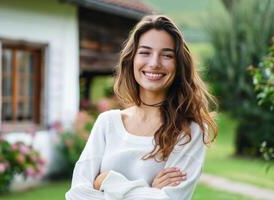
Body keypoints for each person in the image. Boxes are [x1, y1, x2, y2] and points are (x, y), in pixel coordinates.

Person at [65, 15, 217, 200]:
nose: (154, 63)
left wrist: (108, 181)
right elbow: (76, 194)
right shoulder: (107, 123)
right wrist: (149, 190)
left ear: (178, 65)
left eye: (167, 55)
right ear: (132, 59)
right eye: (145, 52)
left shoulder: (189, 131)